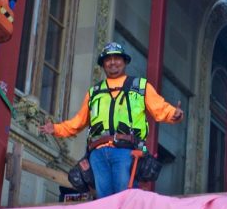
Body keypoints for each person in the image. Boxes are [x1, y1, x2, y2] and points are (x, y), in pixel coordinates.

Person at [38, 42, 184, 198]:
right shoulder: (94, 93)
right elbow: (78, 122)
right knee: (104, 200)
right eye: (108, 59)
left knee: (124, 197)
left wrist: (173, 114)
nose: (113, 62)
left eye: (117, 58)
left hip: (126, 151)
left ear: (125, 62)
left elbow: (160, 108)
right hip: (98, 153)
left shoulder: (141, 86)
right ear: (103, 65)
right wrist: (56, 129)